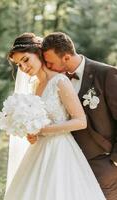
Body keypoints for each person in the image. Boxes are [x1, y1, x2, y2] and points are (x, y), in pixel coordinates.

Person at [4, 32, 106, 200]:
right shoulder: (35, 86)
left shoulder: (60, 81)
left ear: (37, 53)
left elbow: (81, 121)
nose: (23, 67)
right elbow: (39, 123)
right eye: (19, 65)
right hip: (39, 151)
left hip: (61, 150)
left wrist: (43, 130)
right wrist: (31, 133)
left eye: (25, 60)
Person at [40, 31, 117, 200]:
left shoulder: (106, 74)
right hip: (68, 158)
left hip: (101, 161)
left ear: (66, 57)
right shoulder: (57, 80)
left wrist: (114, 159)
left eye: (50, 62)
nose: (48, 66)